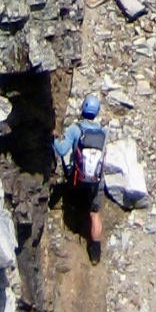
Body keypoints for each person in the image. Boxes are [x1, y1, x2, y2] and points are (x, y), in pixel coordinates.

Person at [54, 93, 110, 247]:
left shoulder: (74, 129)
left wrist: (52, 139)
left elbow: (62, 151)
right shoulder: (103, 133)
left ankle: (74, 215)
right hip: (96, 181)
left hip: (77, 179)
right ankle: (95, 252)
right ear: (97, 111)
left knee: (72, 187)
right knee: (95, 214)